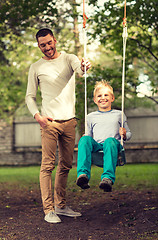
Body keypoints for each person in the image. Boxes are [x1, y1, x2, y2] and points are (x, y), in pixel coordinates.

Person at [25, 28, 91, 223]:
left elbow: (81, 71)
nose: (47, 47)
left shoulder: (69, 58)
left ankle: (61, 206)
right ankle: (49, 210)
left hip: (70, 121)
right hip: (49, 123)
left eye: (49, 43)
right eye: (42, 45)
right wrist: (38, 116)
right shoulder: (35, 67)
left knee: (66, 165)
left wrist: (85, 66)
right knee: (47, 166)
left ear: (55, 40)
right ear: (39, 46)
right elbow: (30, 96)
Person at [76, 80, 131, 192]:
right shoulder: (91, 116)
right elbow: (89, 136)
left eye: (106, 95)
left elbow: (129, 134)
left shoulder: (119, 114)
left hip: (113, 145)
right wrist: (86, 138)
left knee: (109, 141)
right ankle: (83, 175)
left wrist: (124, 135)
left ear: (112, 98)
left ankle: (107, 178)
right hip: (98, 146)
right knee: (84, 139)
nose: (103, 98)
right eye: (99, 96)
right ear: (95, 100)